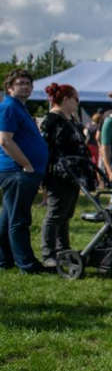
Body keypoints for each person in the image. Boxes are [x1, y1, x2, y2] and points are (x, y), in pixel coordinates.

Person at [39, 83, 94, 269]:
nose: (78, 103)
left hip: (72, 174)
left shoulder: (67, 119)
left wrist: (76, 121)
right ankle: (48, 254)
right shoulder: (52, 120)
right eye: (76, 99)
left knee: (65, 214)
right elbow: (44, 147)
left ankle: (63, 250)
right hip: (58, 173)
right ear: (65, 99)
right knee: (55, 214)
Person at [0, 69, 49, 274]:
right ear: (10, 88)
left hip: (21, 171)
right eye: (20, 83)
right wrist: (26, 164)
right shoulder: (9, 107)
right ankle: (27, 265)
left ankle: (4, 259)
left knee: (9, 217)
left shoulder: (19, 107)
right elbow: (5, 140)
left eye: (29, 83)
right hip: (17, 171)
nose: (26, 86)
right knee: (19, 220)